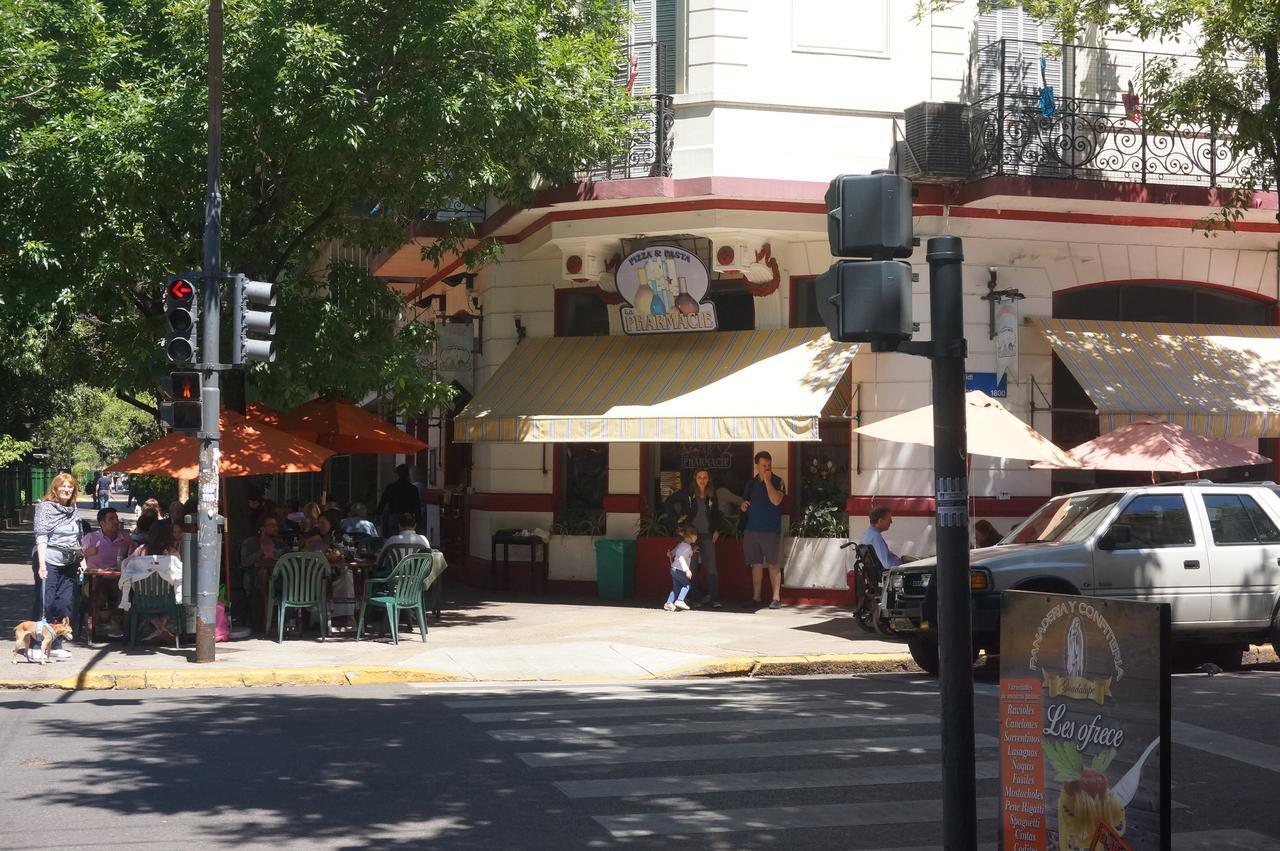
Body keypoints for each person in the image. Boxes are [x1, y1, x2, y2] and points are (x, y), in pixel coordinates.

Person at [31, 473, 83, 660]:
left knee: (64, 604)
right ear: (55, 488)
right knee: (46, 602)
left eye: (70, 487)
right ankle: (36, 645)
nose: (67, 489)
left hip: (69, 562)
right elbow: (41, 536)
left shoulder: (73, 509)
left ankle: (55, 644)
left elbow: (78, 536)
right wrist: (42, 564)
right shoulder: (44, 508)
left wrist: (82, 557)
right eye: (63, 486)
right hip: (48, 560)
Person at [670, 468, 723, 608]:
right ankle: (693, 599)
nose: (702, 480)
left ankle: (715, 598)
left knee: (711, 567)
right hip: (690, 536)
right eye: (699, 477)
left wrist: (717, 529)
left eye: (705, 477)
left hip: (707, 534)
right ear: (695, 479)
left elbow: (716, 513)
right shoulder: (687, 493)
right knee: (691, 567)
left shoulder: (711, 494)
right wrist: (677, 518)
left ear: (708, 479)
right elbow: (668, 502)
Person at [740, 451, 786, 609]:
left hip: (770, 530)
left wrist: (767, 482)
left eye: (769, 466)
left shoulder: (778, 481)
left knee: (773, 564)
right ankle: (756, 597)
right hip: (752, 529)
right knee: (756, 565)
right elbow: (745, 503)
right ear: (757, 466)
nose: (767, 468)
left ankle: (776, 598)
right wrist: (743, 506)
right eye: (764, 466)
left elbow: (776, 501)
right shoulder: (751, 484)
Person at [81, 506, 131, 639]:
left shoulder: (125, 538)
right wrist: (87, 553)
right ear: (102, 523)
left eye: (116, 518)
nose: (116, 521)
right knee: (97, 591)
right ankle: (92, 627)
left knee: (125, 590)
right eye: (111, 519)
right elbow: (77, 556)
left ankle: (116, 624)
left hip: (118, 579)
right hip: (94, 579)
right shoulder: (91, 538)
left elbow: (134, 554)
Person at [128, 518, 180, 643]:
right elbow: (179, 573)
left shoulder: (141, 551)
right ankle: (162, 628)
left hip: (144, 599)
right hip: (168, 599)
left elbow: (126, 565)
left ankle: (158, 629)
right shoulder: (173, 554)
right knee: (169, 597)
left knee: (140, 597)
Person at [304, 514, 357, 632]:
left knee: (347, 575)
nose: (320, 526)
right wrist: (310, 541)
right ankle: (321, 618)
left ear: (331, 524)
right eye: (319, 523)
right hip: (318, 574)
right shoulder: (316, 537)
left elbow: (348, 555)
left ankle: (346, 616)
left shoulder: (342, 537)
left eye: (323, 523)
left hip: (338, 572)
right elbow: (305, 555)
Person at [239, 513, 286, 631]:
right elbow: (244, 562)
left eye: (276, 525)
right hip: (255, 578)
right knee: (263, 576)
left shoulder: (279, 542)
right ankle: (263, 623)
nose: (275, 527)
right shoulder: (249, 543)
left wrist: (277, 554)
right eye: (271, 525)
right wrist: (261, 554)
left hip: (278, 577)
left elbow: (288, 554)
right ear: (262, 528)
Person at [375, 464, 421, 537]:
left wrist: (378, 514)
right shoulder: (413, 489)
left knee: (393, 537)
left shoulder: (391, 487)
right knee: (408, 537)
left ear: (398, 474)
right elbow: (417, 506)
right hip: (408, 518)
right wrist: (418, 520)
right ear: (408, 474)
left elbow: (383, 501)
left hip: (394, 516)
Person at [663, 524, 698, 612]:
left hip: (674, 569)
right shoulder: (687, 547)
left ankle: (668, 603)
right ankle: (680, 600)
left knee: (676, 588)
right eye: (695, 535)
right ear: (690, 536)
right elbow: (681, 558)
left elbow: (675, 552)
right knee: (687, 585)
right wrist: (687, 570)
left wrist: (670, 553)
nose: (697, 537)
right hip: (680, 570)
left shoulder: (682, 545)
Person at [859, 506, 902, 570]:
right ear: (880, 521)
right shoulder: (876, 538)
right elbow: (887, 564)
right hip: (884, 576)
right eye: (889, 519)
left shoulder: (866, 535)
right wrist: (902, 562)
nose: (891, 522)